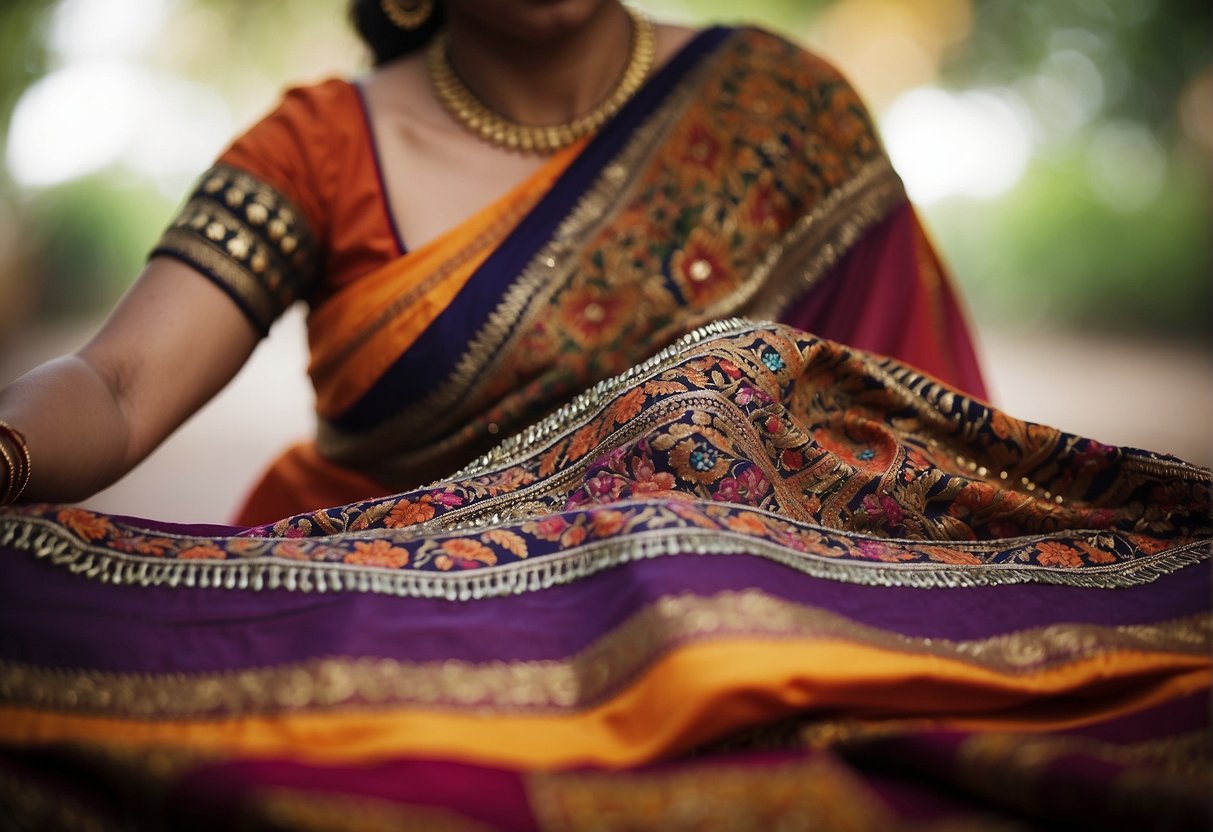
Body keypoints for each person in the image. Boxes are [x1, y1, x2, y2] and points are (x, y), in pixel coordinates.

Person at [0, 1, 1208, 829]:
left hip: (732, 644)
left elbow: (911, 452)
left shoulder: (783, 112)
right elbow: (115, 384)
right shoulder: (316, 146)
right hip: (382, 643)